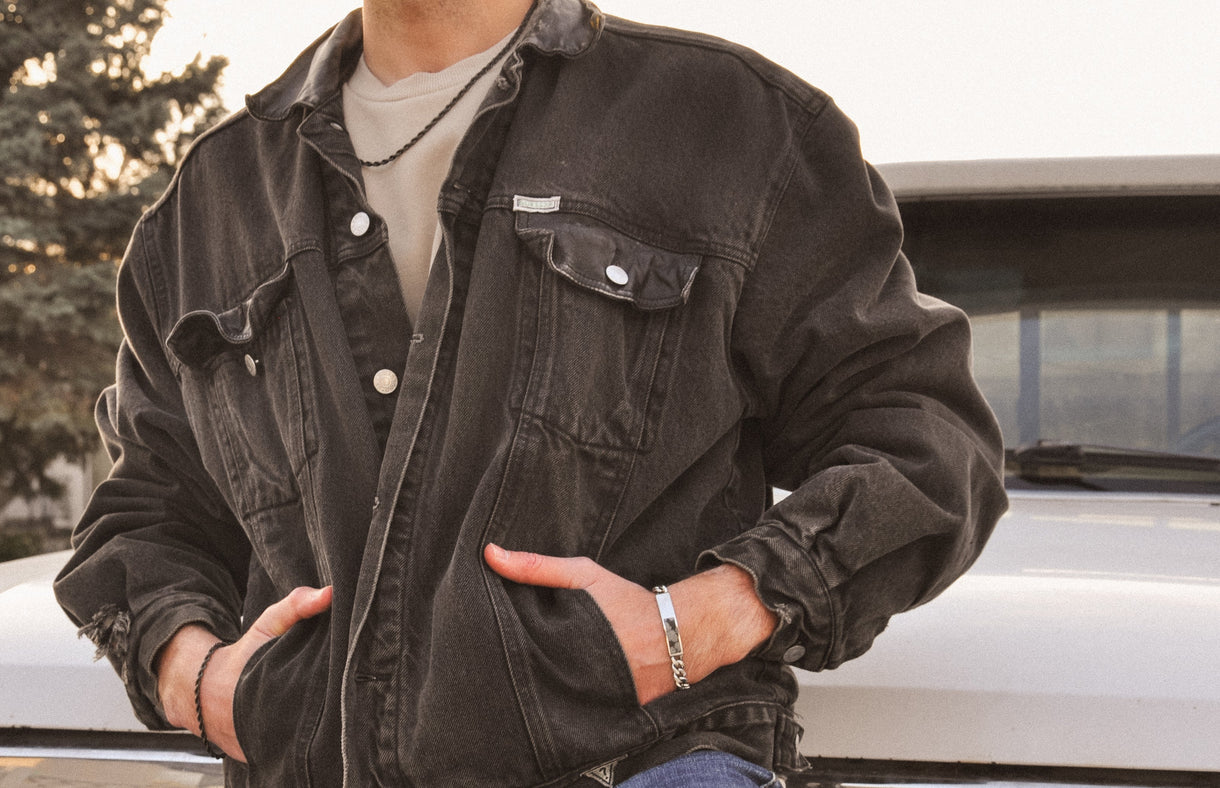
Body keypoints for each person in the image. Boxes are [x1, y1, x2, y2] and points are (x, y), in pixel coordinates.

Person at [54, 0, 1008, 785]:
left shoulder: (732, 128)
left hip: (645, 766)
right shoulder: (210, 204)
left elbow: (927, 440)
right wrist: (197, 675)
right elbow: (149, 512)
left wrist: (703, 619)